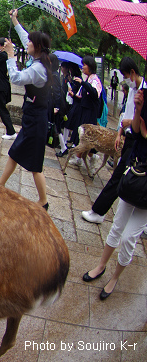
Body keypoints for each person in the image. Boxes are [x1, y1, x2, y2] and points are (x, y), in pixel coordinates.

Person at [82, 87, 147, 300]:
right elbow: (136, 133)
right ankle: (101, 265)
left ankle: (115, 277)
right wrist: (138, 110)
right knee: (117, 225)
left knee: (129, 237)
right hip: (136, 176)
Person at [0, 9, 51, 210]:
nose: (26, 43)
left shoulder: (38, 69)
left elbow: (17, 79)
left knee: (36, 165)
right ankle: (0, 184)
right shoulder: (40, 57)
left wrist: (10, 55)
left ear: (36, 47)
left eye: (29, 43)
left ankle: (43, 201)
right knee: (15, 152)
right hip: (32, 116)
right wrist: (14, 20)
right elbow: (26, 36)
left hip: (36, 119)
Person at [82, 57, 146, 224]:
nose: (125, 80)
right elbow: (126, 113)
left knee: (118, 176)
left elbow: (139, 121)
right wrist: (119, 133)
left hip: (138, 142)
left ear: (132, 73)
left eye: (125, 75)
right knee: (125, 177)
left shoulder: (144, 92)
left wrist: (131, 122)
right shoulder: (133, 90)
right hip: (128, 136)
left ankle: (99, 211)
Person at [67, 56, 102, 167]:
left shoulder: (95, 80)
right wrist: (74, 95)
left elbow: (94, 93)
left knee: (87, 137)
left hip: (90, 112)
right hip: (84, 110)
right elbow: (83, 97)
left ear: (90, 66)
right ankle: (79, 158)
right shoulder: (88, 79)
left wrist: (83, 83)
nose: (83, 67)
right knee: (83, 136)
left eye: (85, 65)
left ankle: (90, 157)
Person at [56, 62, 83, 157]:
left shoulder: (75, 79)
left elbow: (77, 92)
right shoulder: (68, 78)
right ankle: (64, 143)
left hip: (70, 104)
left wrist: (70, 88)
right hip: (68, 102)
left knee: (66, 124)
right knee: (66, 124)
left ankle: (64, 145)